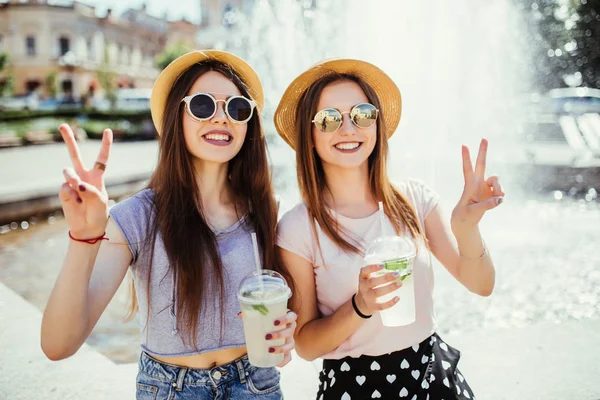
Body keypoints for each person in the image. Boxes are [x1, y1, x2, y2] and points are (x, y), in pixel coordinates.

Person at [41, 50, 297, 399]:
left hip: (256, 384)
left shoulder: (266, 211)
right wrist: (83, 238)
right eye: (204, 106)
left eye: (237, 108)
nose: (222, 118)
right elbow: (59, 344)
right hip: (170, 389)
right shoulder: (137, 218)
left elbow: (280, 328)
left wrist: (283, 339)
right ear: (177, 116)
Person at [273, 58, 504, 399]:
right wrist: (360, 306)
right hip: (354, 387)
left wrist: (466, 229)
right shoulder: (297, 228)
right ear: (309, 136)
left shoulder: (415, 199)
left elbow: (481, 284)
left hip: (432, 377)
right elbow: (306, 345)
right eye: (329, 119)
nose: (348, 129)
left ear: (377, 126)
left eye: (362, 114)